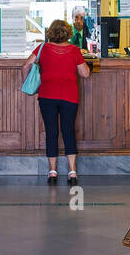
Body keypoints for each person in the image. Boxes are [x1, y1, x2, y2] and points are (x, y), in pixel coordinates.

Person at [23, 19, 90, 185]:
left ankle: (52, 172)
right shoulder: (74, 50)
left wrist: (29, 80)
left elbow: (25, 66)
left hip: (47, 95)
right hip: (69, 96)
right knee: (68, 131)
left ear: (50, 32)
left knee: (51, 132)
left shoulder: (42, 48)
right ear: (68, 33)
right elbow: (85, 73)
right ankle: (72, 172)